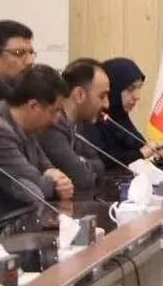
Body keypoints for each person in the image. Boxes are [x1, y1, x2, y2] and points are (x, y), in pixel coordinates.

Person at [0, 65, 73, 231]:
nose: (56, 120)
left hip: (16, 226)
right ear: (33, 106)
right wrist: (54, 183)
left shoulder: (26, 128)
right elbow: (33, 187)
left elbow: (47, 168)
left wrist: (53, 177)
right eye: (54, 111)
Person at [38, 59, 110, 193]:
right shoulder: (52, 124)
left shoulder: (77, 123)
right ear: (79, 94)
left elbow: (100, 164)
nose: (107, 104)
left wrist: (82, 162)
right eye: (102, 96)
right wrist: (83, 164)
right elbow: (82, 178)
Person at [86, 57, 163, 169]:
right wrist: (141, 153)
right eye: (130, 89)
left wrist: (155, 151)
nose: (137, 96)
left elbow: (139, 147)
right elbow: (102, 162)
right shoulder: (92, 120)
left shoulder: (121, 118)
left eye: (139, 88)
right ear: (113, 89)